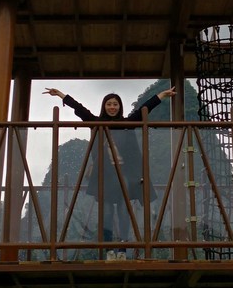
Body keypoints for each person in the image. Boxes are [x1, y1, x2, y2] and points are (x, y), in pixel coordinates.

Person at [43, 85, 176, 257]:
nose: (112, 107)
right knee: (106, 212)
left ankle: (122, 248)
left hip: (124, 175)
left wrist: (162, 95)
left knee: (123, 209)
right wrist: (61, 95)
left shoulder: (127, 123)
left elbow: (146, 108)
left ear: (119, 106)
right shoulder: (96, 123)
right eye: (109, 104)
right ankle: (109, 249)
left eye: (115, 104)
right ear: (104, 106)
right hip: (105, 176)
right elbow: (80, 108)